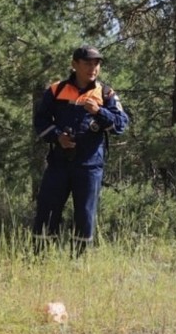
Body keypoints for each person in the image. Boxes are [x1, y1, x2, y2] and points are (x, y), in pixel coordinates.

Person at [33, 45, 130, 253]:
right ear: (74, 65)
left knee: (85, 215)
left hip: (89, 166)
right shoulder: (56, 90)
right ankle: (39, 259)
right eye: (87, 63)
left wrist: (100, 112)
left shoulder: (105, 93)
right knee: (47, 211)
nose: (93, 68)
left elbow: (121, 125)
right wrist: (58, 137)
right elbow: (40, 121)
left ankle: (79, 261)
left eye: (97, 64)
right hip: (58, 163)